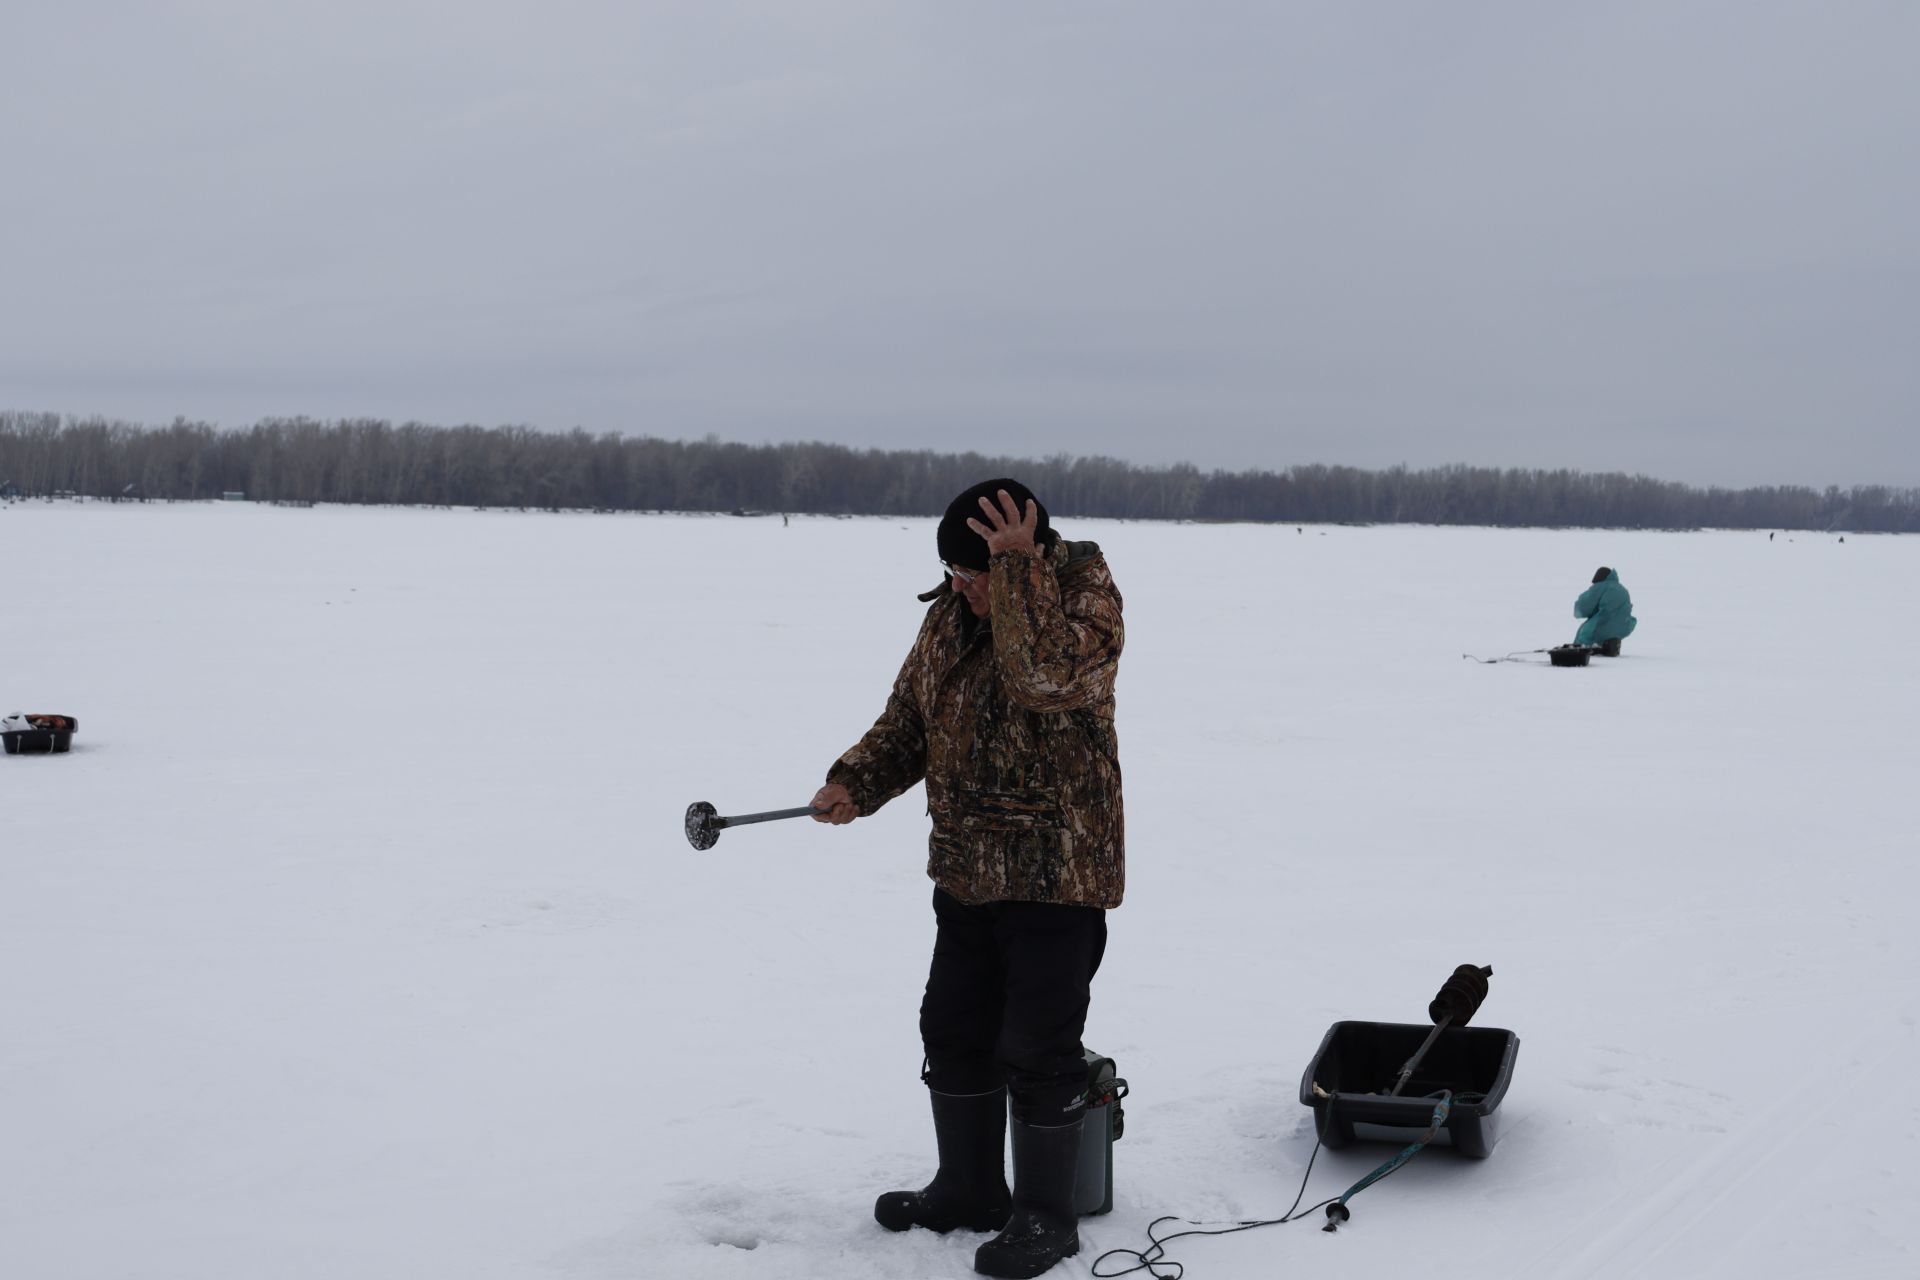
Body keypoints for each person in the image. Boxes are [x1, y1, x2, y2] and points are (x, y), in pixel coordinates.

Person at [811, 478, 1124, 1279]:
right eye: (953, 574)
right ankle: (969, 1189)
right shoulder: (948, 617)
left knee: (1038, 1047)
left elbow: (1044, 678)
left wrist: (1016, 572)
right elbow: (909, 719)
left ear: (1026, 553)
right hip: (966, 869)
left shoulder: (1083, 597)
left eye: (973, 574)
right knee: (952, 1031)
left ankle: (1046, 1217)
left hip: (1057, 872)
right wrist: (858, 779)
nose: (960, 589)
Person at [1575, 566, 1637, 650]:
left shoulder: (1600, 587)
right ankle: (1609, 645)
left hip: (1603, 625)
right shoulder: (1622, 589)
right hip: (1624, 626)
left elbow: (1583, 607)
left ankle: (1588, 648)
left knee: (1585, 635)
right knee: (1606, 625)